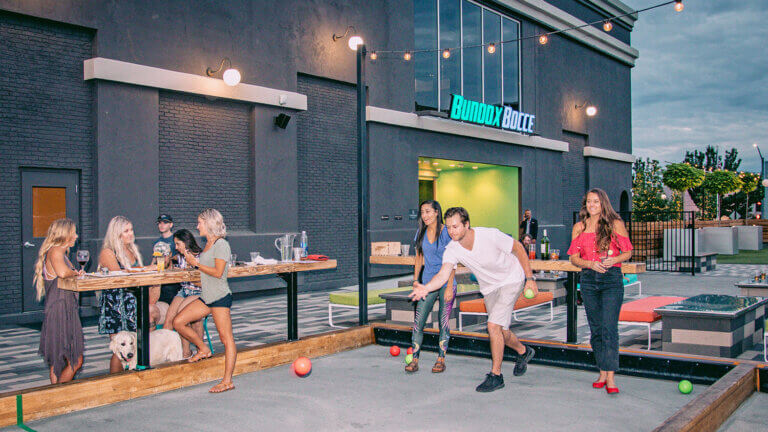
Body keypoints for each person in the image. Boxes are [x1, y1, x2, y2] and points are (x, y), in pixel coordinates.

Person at [410, 207, 538, 392]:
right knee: (501, 330)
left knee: (493, 326)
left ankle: (496, 376)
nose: (452, 231)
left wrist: (530, 278)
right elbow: (442, 275)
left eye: (456, 227)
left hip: (511, 279)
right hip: (490, 287)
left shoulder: (489, 235)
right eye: (449, 228)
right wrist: (425, 287)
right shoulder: (452, 249)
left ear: (467, 225)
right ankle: (523, 351)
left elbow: (517, 247)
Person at [567, 188, 632, 395]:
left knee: (609, 328)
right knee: (595, 328)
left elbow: (628, 252)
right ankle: (602, 371)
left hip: (611, 279)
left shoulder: (615, 224)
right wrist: (590, 264)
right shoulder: (579, 226)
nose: (592, 205)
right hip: (588, 280)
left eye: (596, 201)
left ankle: (611, 376)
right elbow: (574, 258)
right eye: (588, 202)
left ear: (603, 202)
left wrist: (614, 259)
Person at [173, 208, 237, 393]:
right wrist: (191, 271)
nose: (197, 225)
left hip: (219, 297)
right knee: (179, 322)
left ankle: (227, 381)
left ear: (209, 224)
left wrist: (196, 263)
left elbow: (218, 273)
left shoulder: (221, 244)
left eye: (200, 222)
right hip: (206, 297)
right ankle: (204, 349)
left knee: (227, 340)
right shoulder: (208, 244)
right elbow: (206, 274)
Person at [405, 200, 456, 374]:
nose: (424, 215)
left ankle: (441, 359)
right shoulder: (421, 231)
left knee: (443, 322)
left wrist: (449, 287)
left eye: (428, 211)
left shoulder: (446, 232)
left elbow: (453, 260)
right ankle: (415, 359)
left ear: (436, 212)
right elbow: (419, 258)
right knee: (418, 322)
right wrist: (415, 281)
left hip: (446, 282)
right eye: (422, 212)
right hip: (427, 283)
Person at [34, 218, 85, 384]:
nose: (76, 236)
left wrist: (76, 273)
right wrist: (76, 273)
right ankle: (57, 395)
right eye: (73, 233)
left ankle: (56, 395)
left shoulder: (60, 253)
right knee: (73, 360)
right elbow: (63, 273)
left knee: (59, 360)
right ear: (65, 235)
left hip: (64, 308)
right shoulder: (56, 251)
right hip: (60, 309)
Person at [98, 215, 143, 373]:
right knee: (119, 348)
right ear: (117, 233)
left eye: (131, 230)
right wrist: (144, 269)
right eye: (126, 231)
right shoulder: (108, 252)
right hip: (115, 305)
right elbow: (119, 275)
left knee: (131, 345)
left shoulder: (131, 250)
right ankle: (114, 381)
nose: (130, 234)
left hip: (132, 302)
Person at [165, 228, 205, 358]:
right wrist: (167, 260)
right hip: (184, 291)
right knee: (169, 319)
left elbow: (204, 281)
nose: (176, 247)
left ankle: (194, 350)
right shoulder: (180, 257)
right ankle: (167, 352)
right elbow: (169, 263)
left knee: (183, 315)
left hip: (198, 291)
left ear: (186, 242)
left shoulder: (201, 256)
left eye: (178, 244)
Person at [154, 214, 181, 305]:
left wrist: (171, 258)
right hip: (162, 277)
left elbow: (184, 256)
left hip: (174, 278)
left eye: (165, 223)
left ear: (171, 225)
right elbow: (155, 260)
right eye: (160, 223)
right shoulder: (157, 242)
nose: (162, 225)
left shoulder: (176, 239)